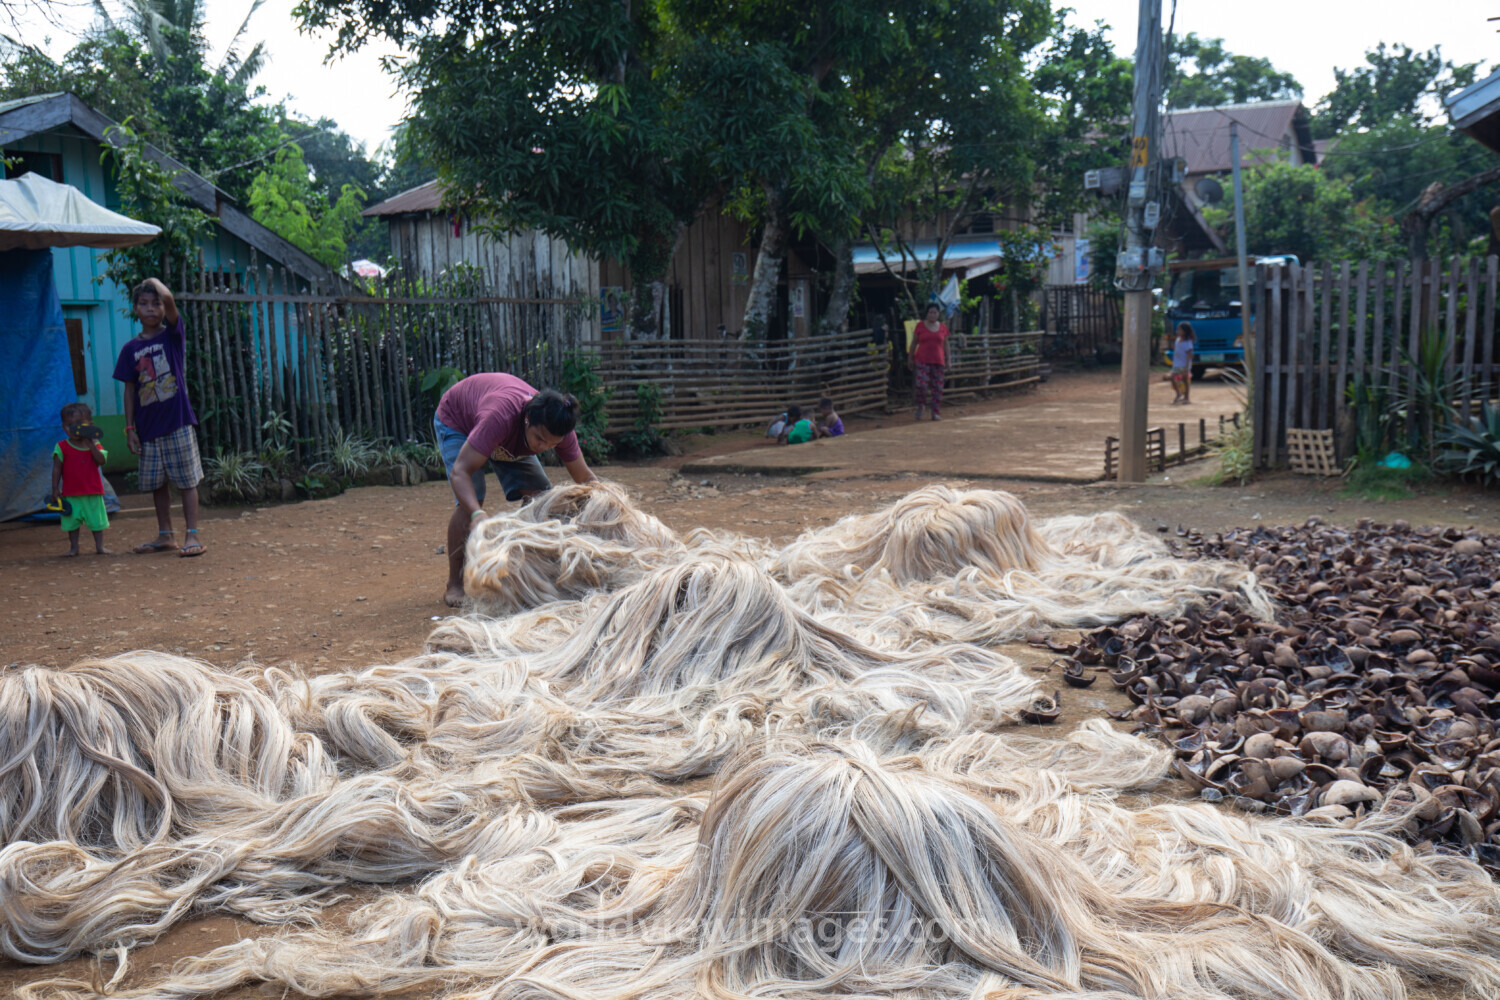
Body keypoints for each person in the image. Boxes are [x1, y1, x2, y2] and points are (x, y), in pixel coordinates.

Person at [435, 373, 599, 607]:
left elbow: (585, 478)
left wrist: (612, 505)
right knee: (471, 500)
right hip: (458, 419)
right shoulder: (501, 416)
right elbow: (460, 472)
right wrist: (476, 514)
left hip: (505, 436)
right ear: (528, 419)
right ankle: (455, 584)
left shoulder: (558, 427)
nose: (543, 448)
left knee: (541, 497)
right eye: (540, 439)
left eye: (551, 445)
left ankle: (528, 572)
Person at [112, 277, 205, 557]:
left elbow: (170, 300)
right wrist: (130, 428)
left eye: (156, 304)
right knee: (157, 484)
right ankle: (165, 535)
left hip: (177, 421)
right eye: (144, 304)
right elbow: (129, 390)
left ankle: (192, 534)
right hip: (148, 428)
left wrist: (151, 281)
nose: (151, 308)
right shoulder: (130, 349)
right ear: (135, 309)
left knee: (187, 481)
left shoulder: (173, 336)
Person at [49, 402, 112, 557]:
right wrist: (55, 488)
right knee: (72, 523)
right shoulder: (61, 446)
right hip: (70, 493)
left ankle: (100, 546)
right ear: (64, 427)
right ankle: (74, 548)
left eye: (79, 425)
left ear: (90, 425)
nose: (74, 428)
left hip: (93, 490)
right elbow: (57, 468)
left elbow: (101, 461)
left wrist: (91, 443)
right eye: (70, 425)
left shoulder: (95, 444)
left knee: (96, 522)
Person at [911, 303, 950, 421]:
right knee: (921, 385)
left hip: (938, 361)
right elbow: (914, 343)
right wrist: (910, 358)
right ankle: (921, 405)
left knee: (937, 388)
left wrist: (949, 359)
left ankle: (935, 412)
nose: (932, 315)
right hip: (922, 360)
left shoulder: (943, 327)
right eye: (930, 312)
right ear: (927, 314)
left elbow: (946, 344)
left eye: (935, 313)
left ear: (938, 314)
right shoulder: (920, 326)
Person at [1170, 322, 1196, 405]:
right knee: (1172, 378)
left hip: (1184, 365)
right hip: (1177, 364)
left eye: (1180, 330)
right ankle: (1178, 393)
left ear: (1185, 331)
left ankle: (1186, 398)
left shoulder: (1188, 342)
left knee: (1185, 381)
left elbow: (1189, 356)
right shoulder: (1177, 339)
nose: (1178, 331)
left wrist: (1186, 367)